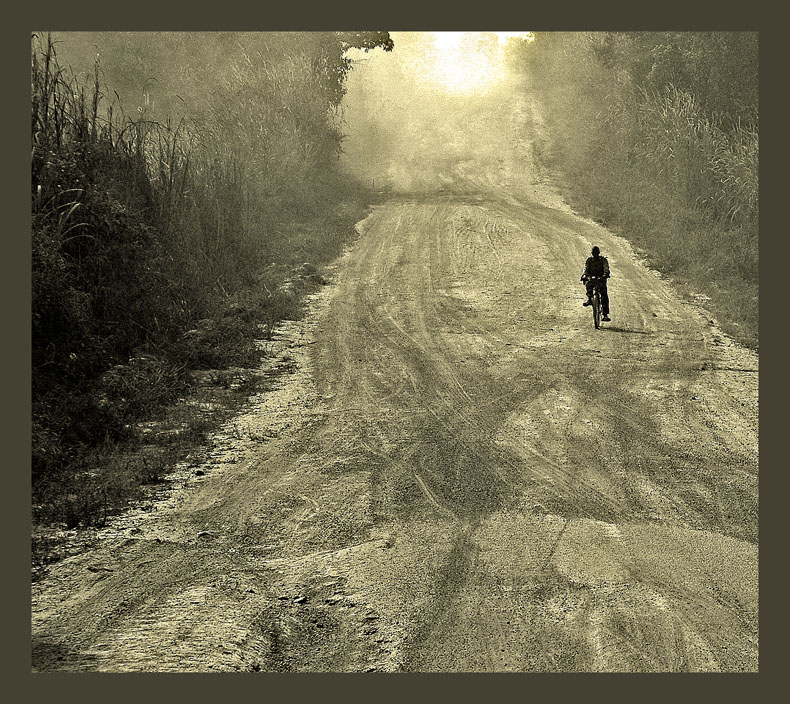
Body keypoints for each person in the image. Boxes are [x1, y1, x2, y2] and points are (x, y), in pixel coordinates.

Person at [580, 246, 611, 321]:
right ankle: (590, 298)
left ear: (599, 253)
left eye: (596, 253)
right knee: (588, 284)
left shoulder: (603, 260)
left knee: (604, 295)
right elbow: (586, 269)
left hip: (601, 279)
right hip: (592, 278)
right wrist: (584, 275)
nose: (595, 254)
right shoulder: (589, 260)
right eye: (593, 253)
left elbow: (606, 268)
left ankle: (605, 314)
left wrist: (605, 275)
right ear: (592, 253)